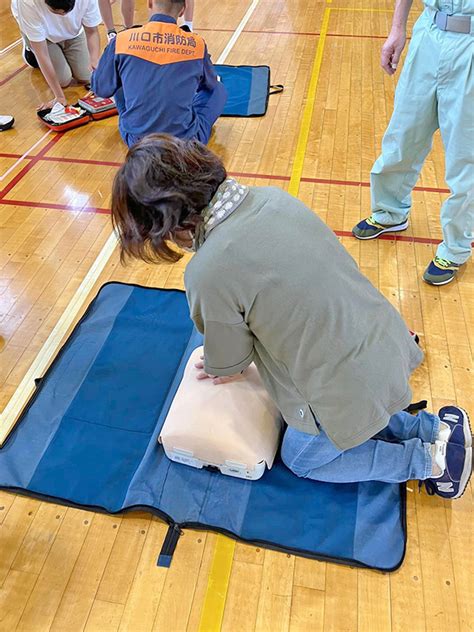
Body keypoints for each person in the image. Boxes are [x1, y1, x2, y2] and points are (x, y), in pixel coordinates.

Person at [110, 134, 472, 500]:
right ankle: (430, 429)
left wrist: (217, 363)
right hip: (387, 343)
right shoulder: (272, 197)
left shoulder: (207, 271)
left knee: (303, 457)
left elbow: (229, 363)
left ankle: (429, 462)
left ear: (167, 224)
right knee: (358, 399)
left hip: (349, 382)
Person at [352, 0, 474, 286]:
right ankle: (390, 211)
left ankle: (456, 247)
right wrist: (397, 28)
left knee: (464, 156)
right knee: (402, 135)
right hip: (429, 35)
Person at [91, 0, 226, 147]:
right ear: (183, 10)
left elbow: (101, 89)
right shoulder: (196, 44)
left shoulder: (122, 40)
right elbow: (211, 84)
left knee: (118, 80)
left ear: (149, 3)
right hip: (185, 143)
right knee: (218, 89)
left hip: (137, 141)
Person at [11, 0, 101, 110]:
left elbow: (92, 31)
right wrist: (59, 96)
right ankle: (29, 51)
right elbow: (42, 53)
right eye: (56, 11)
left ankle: (63, 50)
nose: (63, 14)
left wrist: (95, 60)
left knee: (86, 75)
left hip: (73, 33)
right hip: (44, 37)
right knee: (63, 81)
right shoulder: (27, 3)